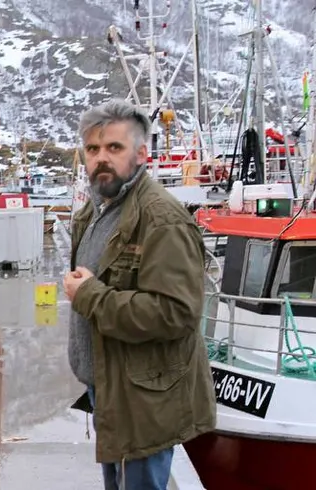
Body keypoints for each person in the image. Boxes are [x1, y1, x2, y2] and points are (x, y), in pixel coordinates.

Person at [63, 99, 216, 489]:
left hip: (145, 398)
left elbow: (176, 313)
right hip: (111, 387)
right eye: (93, 149)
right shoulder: (96, 212)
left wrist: (91, 296)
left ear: (141, 153)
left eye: (114, 148)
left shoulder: (161, 218)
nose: (101, 159)